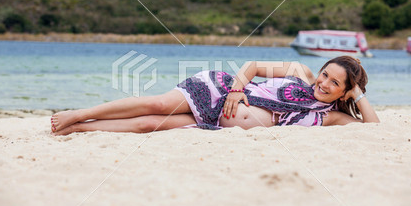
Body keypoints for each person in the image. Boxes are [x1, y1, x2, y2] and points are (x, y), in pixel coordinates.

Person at [50, 56, 379, 136]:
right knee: (158, 104)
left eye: (334, 83)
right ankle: (79, 113)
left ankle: (80, 129)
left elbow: (373, 127)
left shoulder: (331, 116)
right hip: (221, 89)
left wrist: (358, 91)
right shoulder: (300, 72)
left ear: (345, 91)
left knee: (149, 125)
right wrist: (236, 89)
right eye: (325, 74)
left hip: (218, 125)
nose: (323, 83)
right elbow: (251, 66)